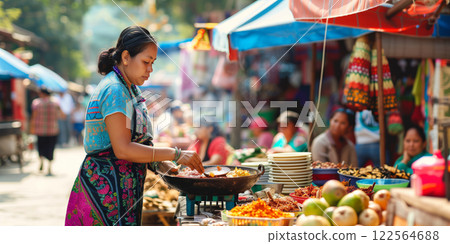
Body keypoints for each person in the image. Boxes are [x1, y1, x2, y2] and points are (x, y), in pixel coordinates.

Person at [65, 26, 204, 226]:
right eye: (146, 62)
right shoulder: (115, 90)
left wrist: (159, 163)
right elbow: (122, 149)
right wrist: (176, 154)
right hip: (106, 191)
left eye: (153, 63)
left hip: (123, 189)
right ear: (126, 57)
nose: (150, 69)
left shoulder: (129, 89)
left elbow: (133, 142)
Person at [30, 88, 64, 176]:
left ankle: (41, 162)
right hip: (52, 129)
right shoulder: (56, 102)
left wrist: (32, 127)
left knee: (41, 147)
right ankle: (49, 167)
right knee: (50, 148)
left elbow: (34, 116)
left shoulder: (36, 103)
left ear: (42, 93)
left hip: (40, 129)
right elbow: (62, 115)